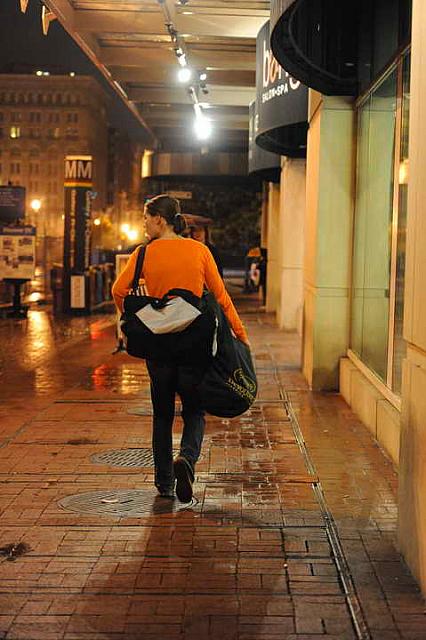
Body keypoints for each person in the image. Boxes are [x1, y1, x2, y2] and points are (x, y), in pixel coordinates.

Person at [112, 195, 248, 503]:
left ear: (160, 220)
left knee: (162, 414)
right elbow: (221, 296)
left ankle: (164, 483)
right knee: (194, 410)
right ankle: (186, 458)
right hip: (194, 343)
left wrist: (138, 316)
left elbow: (118, 290)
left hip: (158, 344)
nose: (143, 224)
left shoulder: (143, 253)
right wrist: (240, 333)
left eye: (145, 218)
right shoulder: (199, 250)